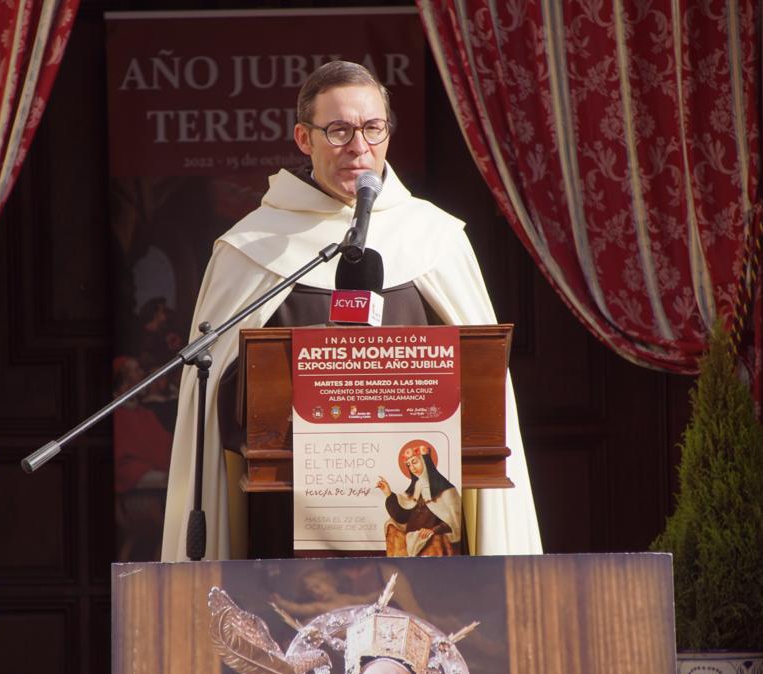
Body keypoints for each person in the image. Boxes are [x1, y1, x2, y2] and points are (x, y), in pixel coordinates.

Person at [161, 60, 542, 561]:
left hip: (424, 536)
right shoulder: (253, 246)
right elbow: (216, 403)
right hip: (293, 525)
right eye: (338, 129)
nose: (358, 147)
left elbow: (484, 389)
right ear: (304, 138)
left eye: (372, 128)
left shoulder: (434, 238)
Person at [377, 444, 462, 556]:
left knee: (432, 544)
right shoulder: (417, 486)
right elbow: (402, 516)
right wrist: (388, 493)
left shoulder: (447, 490)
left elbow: (454, 522)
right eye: (409, 465)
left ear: (425, 462)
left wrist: (434, 530)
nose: (412, 468)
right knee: (390, 526)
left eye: (415, 462)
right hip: (413, 536)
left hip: (434, 534)